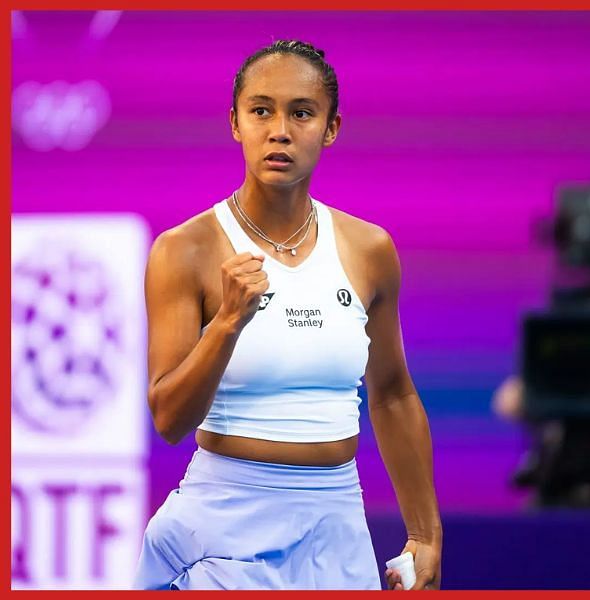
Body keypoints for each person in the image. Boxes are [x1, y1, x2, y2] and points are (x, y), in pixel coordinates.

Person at [134, 40, 441, 590]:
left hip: (338, 524)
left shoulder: (369, 249)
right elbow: (169, 419)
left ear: (331, 128)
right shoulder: (184, 251)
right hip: (220, 529)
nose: (280, 130)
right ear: (235, 122)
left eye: (302, 113)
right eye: (261, 110)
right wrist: (227, 322)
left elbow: (393, 393)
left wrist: (425, 534)